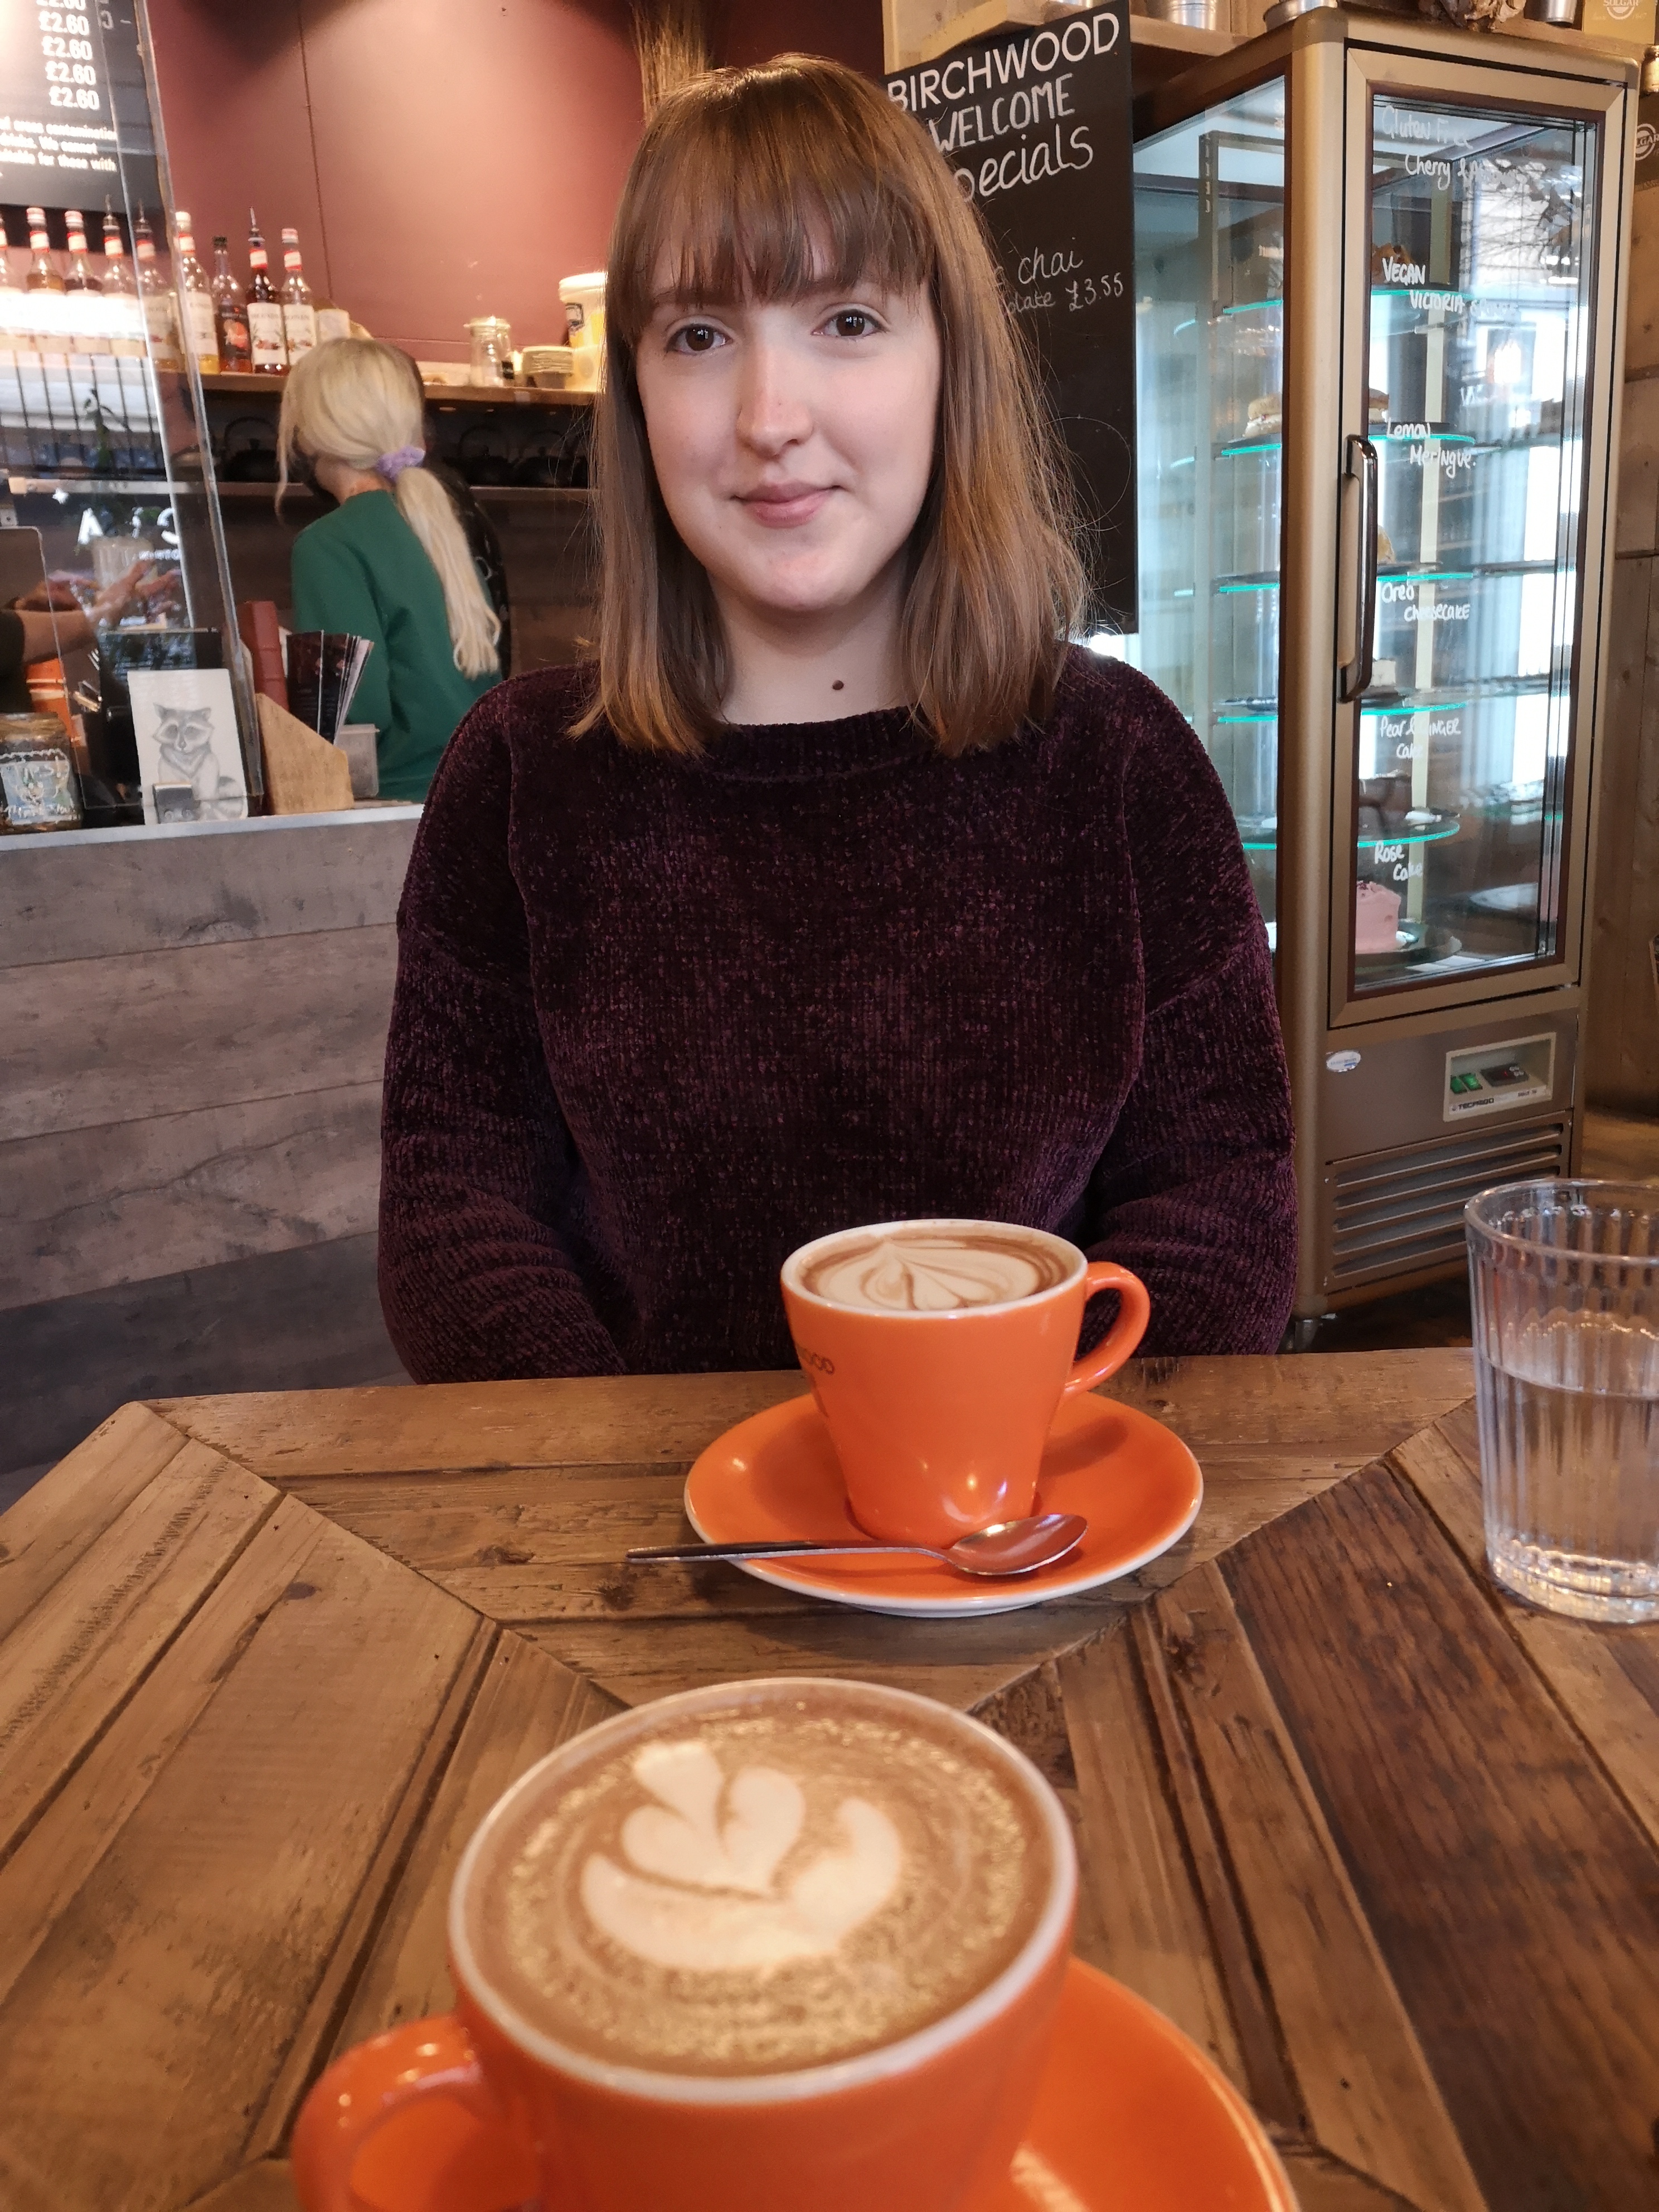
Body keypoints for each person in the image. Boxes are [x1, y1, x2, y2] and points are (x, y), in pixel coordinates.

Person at [379, 56, 1297, 1383]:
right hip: (639, 1556)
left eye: (848, 320)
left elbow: (1219, 1202)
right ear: (635, 393)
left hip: (1036, 1529)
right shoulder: (521, 776)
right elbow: (455, 1215)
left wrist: (1002, 1453)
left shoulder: (1120, 761)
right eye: (699, 335)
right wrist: (626, 1486)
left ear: (947, 364)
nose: (769, 417)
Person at [278, 338, 502, 801]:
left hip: (394, 805)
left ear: (307, 431)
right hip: (479, 797)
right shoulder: (436, 525)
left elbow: (351, 716)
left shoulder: (327, 545)